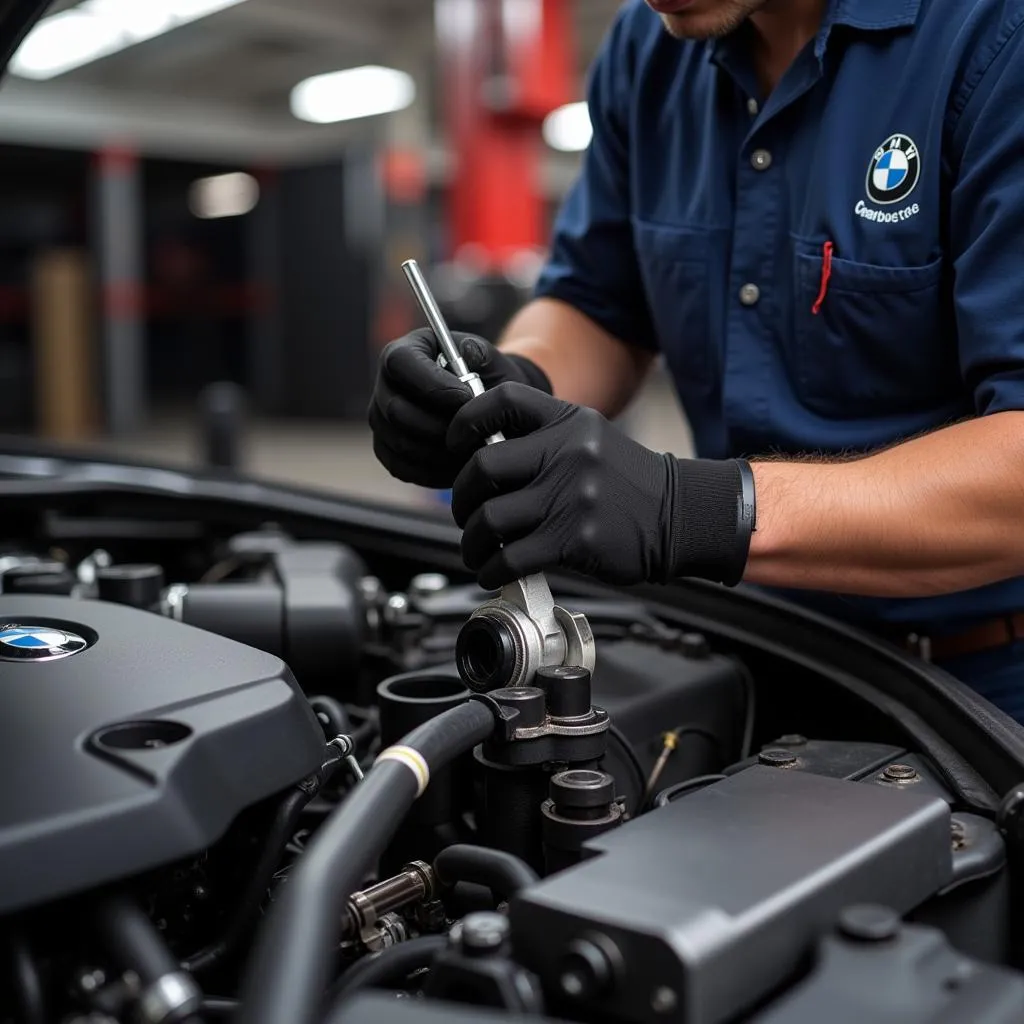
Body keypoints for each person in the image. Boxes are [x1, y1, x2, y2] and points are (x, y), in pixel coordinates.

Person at [370, 0, 1024, 721]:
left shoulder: (996, 38)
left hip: (985, 690)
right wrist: (512, 383)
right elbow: (598, 305)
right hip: (762, 652)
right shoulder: (646, 51)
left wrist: (696, 511)